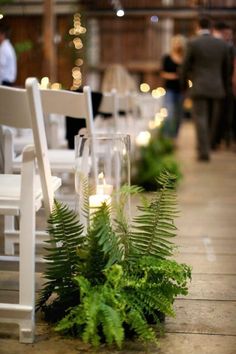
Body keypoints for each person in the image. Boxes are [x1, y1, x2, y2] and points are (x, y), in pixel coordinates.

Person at [181, 17, 231, 161]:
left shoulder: (193, 43)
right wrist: (223, 82)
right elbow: (227, 67)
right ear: (210, 27)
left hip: (199, 86)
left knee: (201, 119)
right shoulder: (221, 44)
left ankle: (204, 150)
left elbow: (184, 66)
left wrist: (184, 84)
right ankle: (207, 145)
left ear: (198, 27)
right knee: (212, 120)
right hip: (217, 87)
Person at [160, 34, 186, 139]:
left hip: (181, 90)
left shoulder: (185, 58)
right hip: (170, 89)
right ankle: (167, 136)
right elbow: (163, 73)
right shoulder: (167, 58)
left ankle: (175, 135)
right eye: (176, 42)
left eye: (179, 43)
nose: (177, 45)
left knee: (179, 115)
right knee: (169, 114)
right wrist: (174, 76)